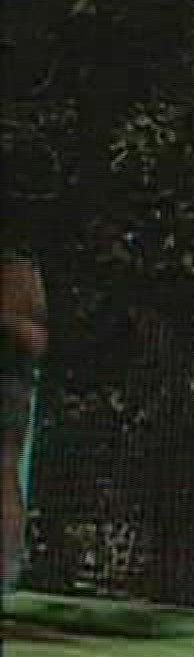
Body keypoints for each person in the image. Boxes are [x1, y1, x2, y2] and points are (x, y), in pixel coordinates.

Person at [1, 250, 47, 594]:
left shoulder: (17, 269)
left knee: (3, 472)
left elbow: (35, 338)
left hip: (6, 384)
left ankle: (5, 569)